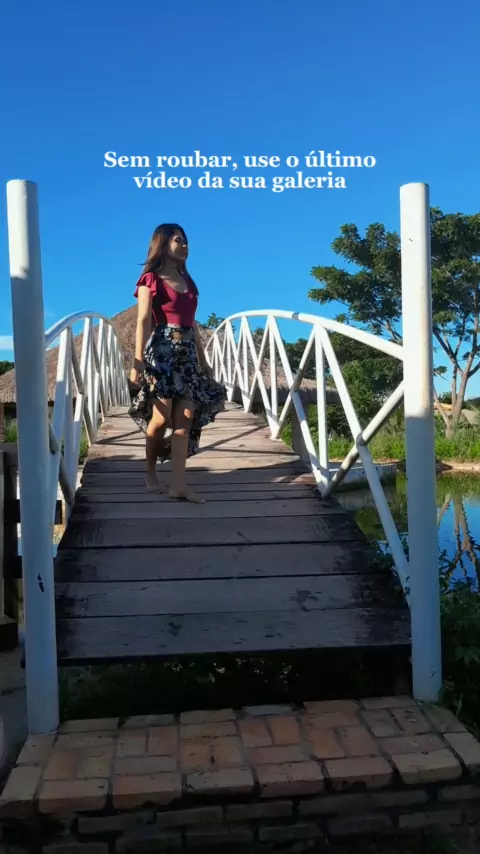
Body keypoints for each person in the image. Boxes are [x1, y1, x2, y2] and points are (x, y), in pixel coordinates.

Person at [128, 223, 226, 503]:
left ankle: (178, 485)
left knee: (185, 418)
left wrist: (203, 360)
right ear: (162, 243)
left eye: (185, 241)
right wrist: (138, 360)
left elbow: (192, 325)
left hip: (187, 355)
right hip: (162, 351)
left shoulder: (189, 282)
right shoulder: (150, 279)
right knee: (160, 419)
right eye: (178, 240)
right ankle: (150, 471)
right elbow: (143, 320)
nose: (184, 246)